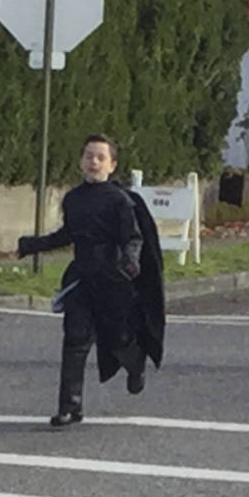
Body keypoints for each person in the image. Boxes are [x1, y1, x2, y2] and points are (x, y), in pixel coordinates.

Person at [17, 134, 166, 427]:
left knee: (119, 338)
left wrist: (131, 260)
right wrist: (31, 245)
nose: (93, 162)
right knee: (75, 340)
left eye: (100, 157)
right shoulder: (74, 199)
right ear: (80, 162)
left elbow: (133, 238)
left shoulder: (121, 201)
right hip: (82, 278)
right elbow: (66, 235)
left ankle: (135, 364)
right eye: (88, 156)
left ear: (112, 165)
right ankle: (69, 406)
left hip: (114, 279)